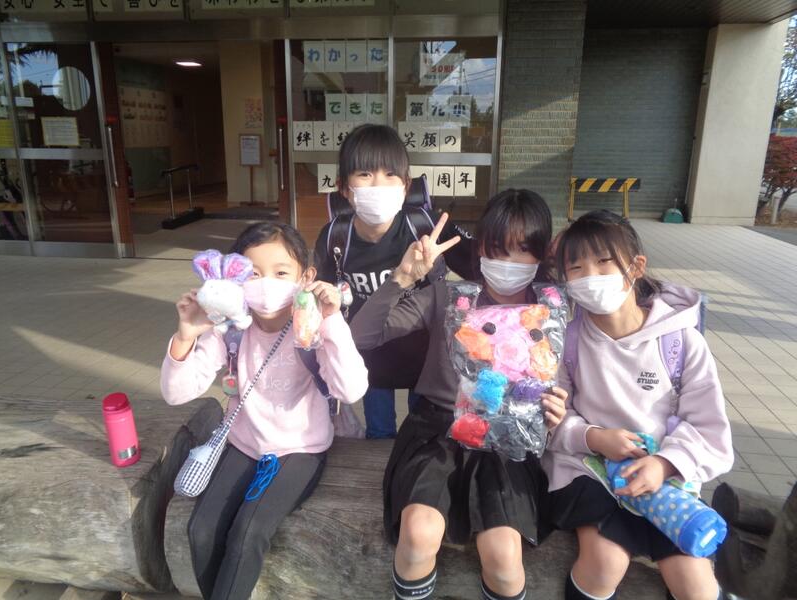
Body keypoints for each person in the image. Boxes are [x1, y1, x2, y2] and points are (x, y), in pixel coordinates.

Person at [350, 190, 567, 600]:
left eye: (523, 250)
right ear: (480, 248)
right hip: (436, 433)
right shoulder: (449, 297)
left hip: (509, 441)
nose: (509, 262)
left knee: (504, 556)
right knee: (418, 534)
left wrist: (560, 410)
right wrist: (402, 278)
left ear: (541, 254)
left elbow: (570, 378)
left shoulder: (551, 311)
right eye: (498, 248)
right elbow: (362, 336)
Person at [161, 222, 368, 600]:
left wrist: (332, 320)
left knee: (248, 533)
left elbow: (352, 389)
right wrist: (186, 335)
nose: (266, 283)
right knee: (201, 530)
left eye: (281, 272)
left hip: (300, 450)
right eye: (253, 273)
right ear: (234, 277)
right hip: (244, 445)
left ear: (306, 276)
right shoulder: (229, 329)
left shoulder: (312, 327)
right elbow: (176, 394)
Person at [545, 210, 733, 600]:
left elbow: (708, 428)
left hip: (663, 475)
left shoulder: (681, 342)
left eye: (604, 261)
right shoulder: (565, 341)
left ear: (636, 267)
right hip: (588, 470)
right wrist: (594, 437)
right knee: (604, 563)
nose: (590, 276)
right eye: (576, 268)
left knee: (695, 583)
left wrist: (664, 463)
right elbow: (553, 420)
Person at [314, 123, 475, 439]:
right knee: (379, 435)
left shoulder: (426, 227)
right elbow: (321, 302)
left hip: (425, 359)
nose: (379, 185)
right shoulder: (335, 236)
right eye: (364, 174)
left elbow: (483, 265)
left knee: (423, 436)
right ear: (344, 187)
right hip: (370, 358)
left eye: (390, 174)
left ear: (406, 185)